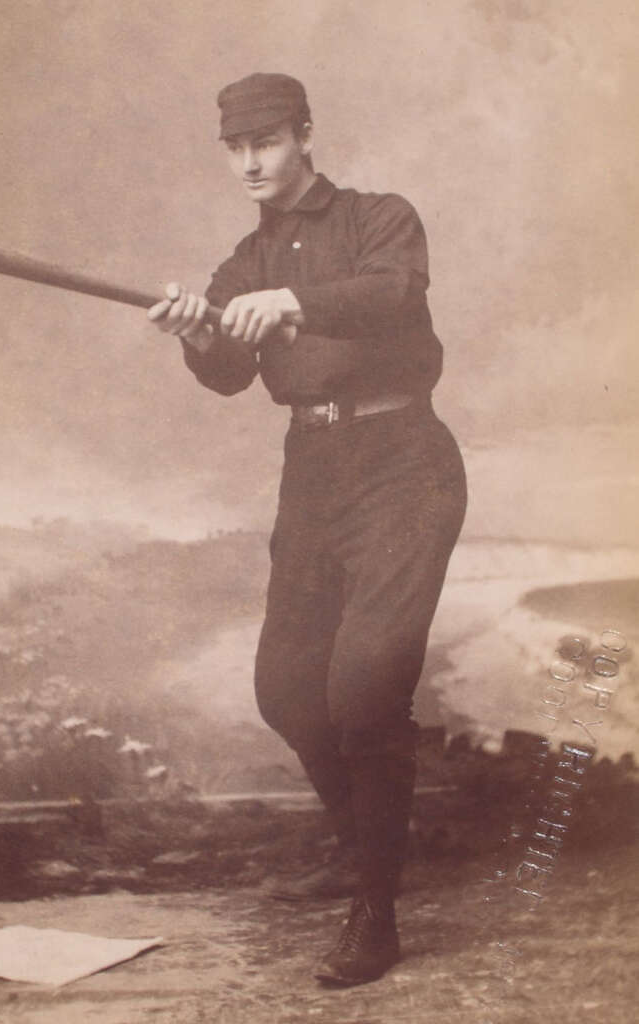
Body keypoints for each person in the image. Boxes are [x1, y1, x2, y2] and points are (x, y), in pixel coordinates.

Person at [147, 72, 467, 987]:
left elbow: (393, 296)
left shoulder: (380, 219)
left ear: (305, 136)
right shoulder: (243, 261)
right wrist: (195, 333)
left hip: (406, 464)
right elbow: (225, 378)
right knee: (289, 689)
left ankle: (378, 911)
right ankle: (366, 848)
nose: (249, 160)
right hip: (314, 476)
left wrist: (293, 302)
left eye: (268, 141)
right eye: (235, 146)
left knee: (365, 691)